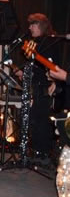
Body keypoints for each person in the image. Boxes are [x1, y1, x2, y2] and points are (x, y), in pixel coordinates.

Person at [16, 14, 64, 161]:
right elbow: (36, 66)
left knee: (42, 120)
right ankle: (35, 150)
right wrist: (24, 73)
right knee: (34, 119)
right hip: (36, 87)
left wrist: (53, 81)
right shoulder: (36, 43)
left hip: (45, 87)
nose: (29, 28)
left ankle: (42, 153)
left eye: (32, 25)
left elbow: (52, 66)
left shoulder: (50, 41)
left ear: (41, 26)